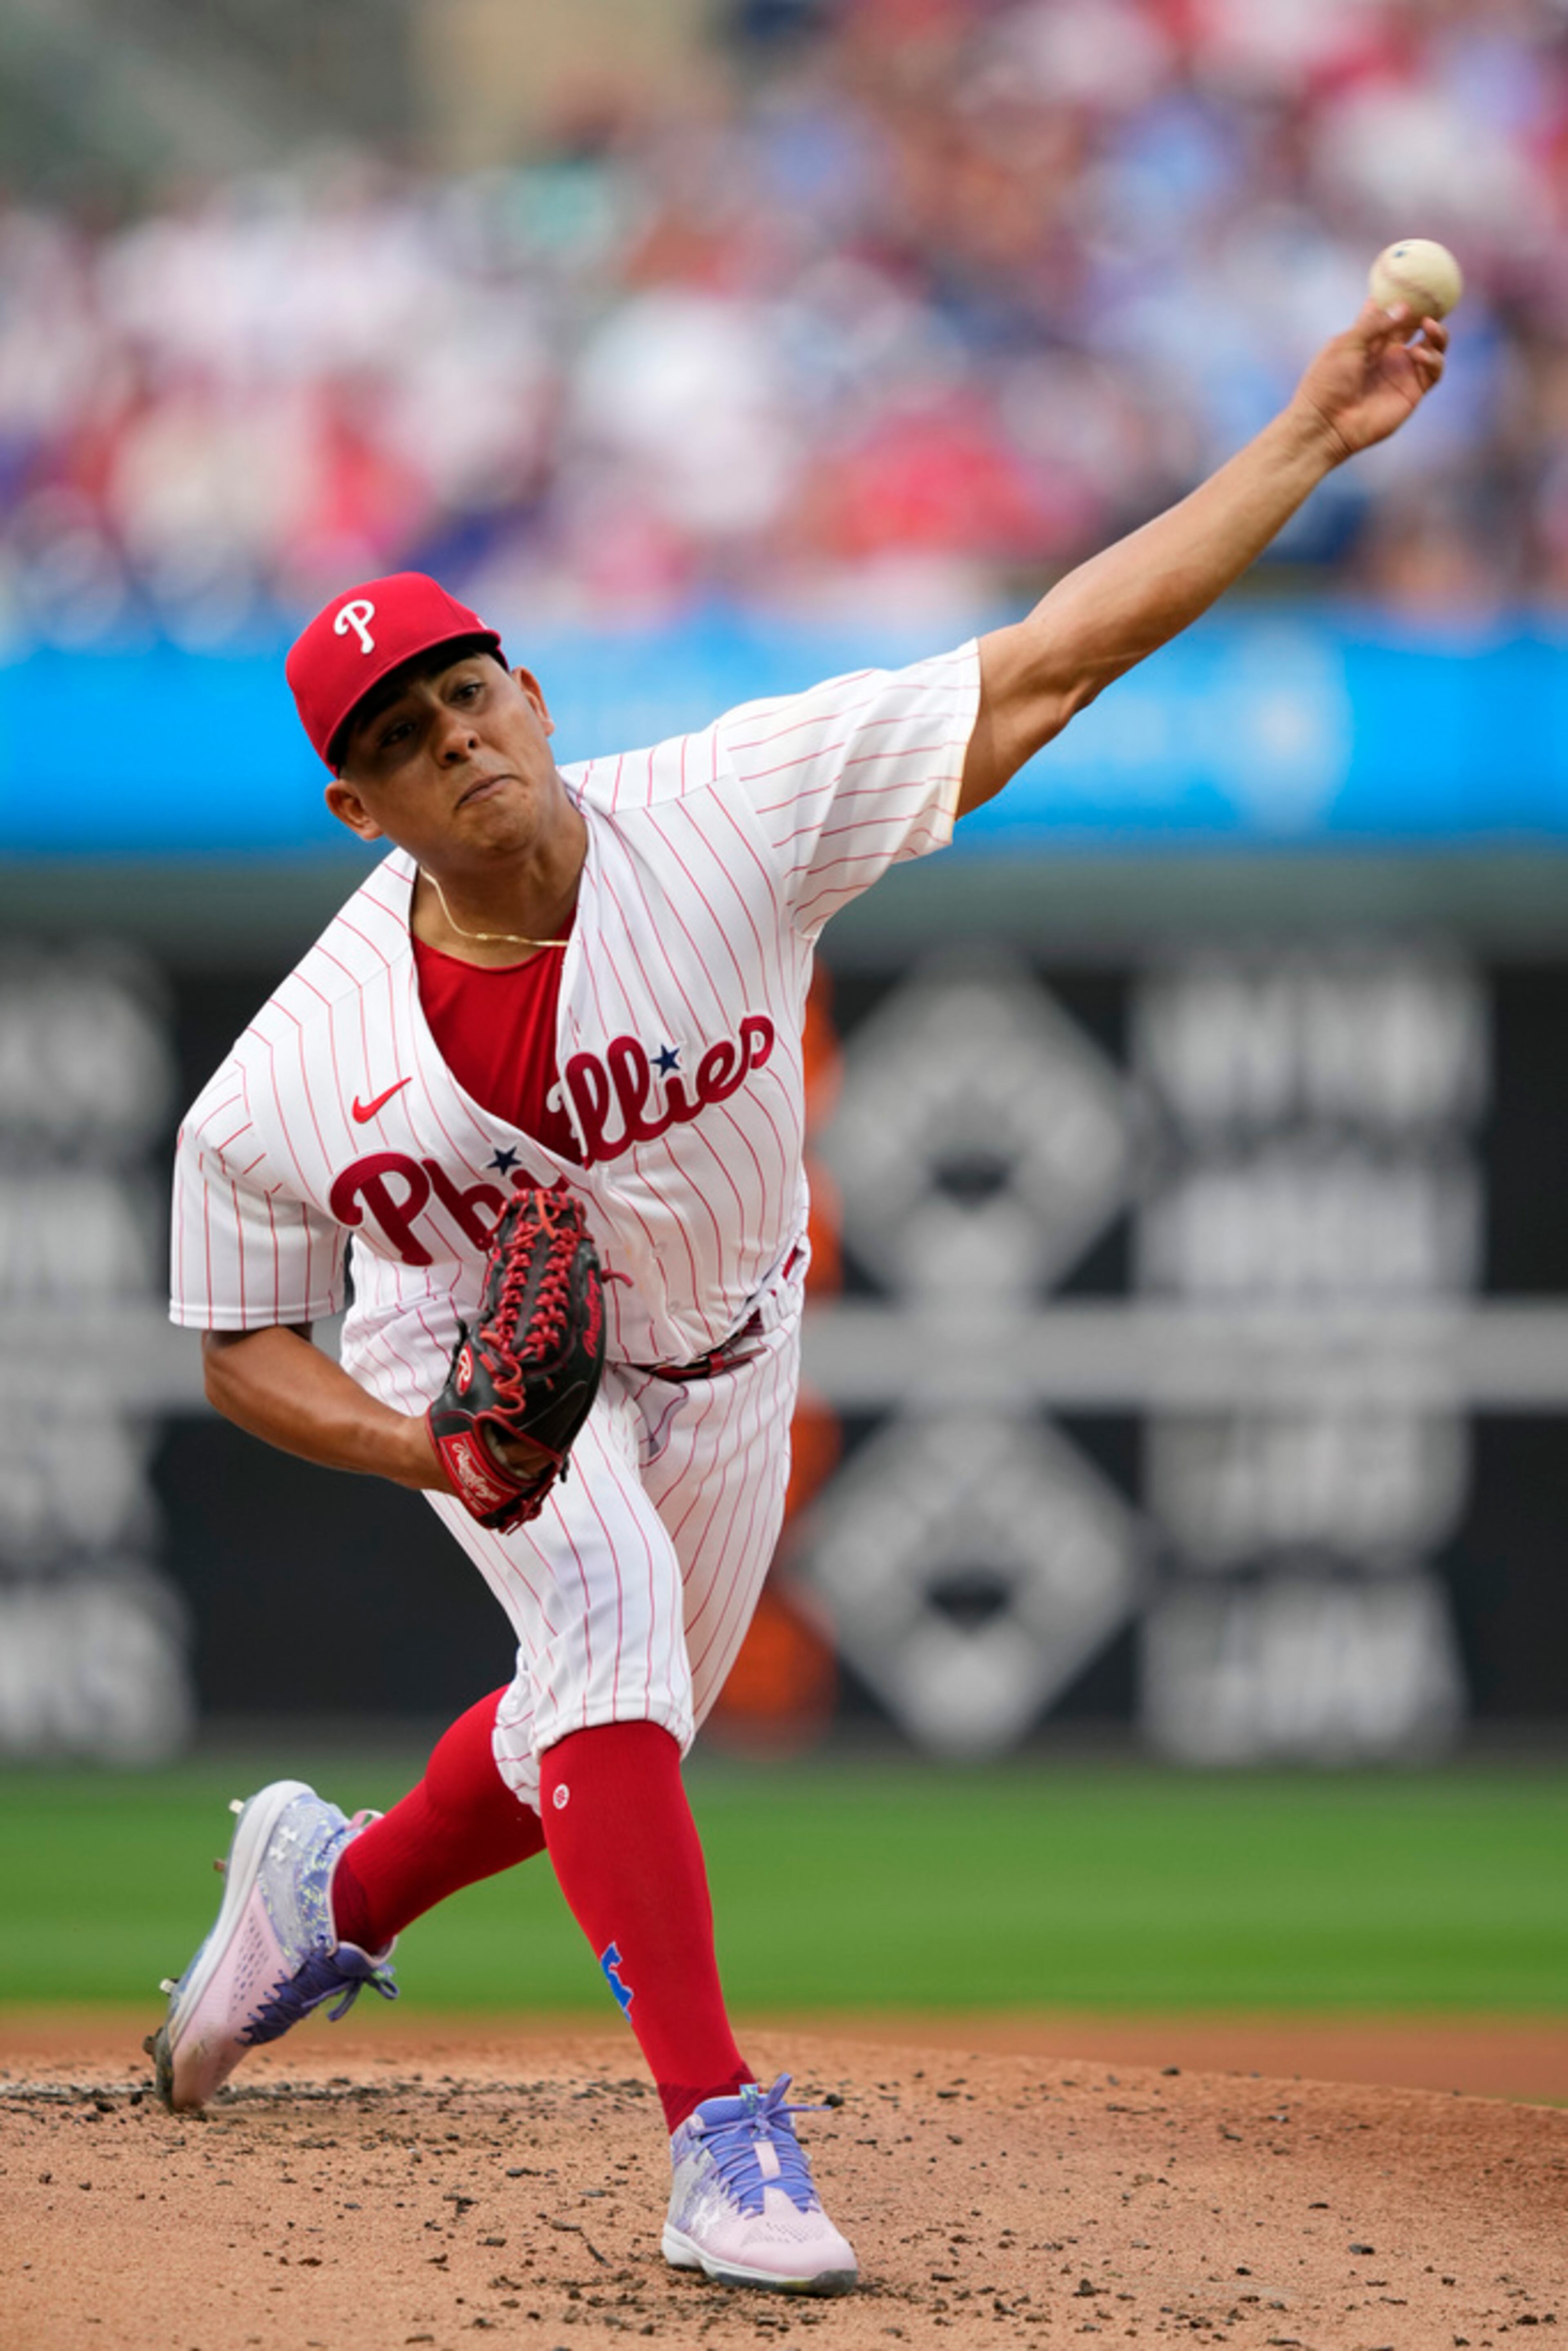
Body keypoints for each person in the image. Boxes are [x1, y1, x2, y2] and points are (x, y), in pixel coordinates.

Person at [150, 297, 1446, 2296]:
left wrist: (1309, 441)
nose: (454, 743)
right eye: (398, 742)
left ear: (531, 688)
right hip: (473, 1364)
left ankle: (325, 1883)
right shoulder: (291, 1073)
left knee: (601, 1720)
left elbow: (1053, 659)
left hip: (736, 1348)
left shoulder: (737, 810)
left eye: (464, 694)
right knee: (610, 1648)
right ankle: (720, 2144)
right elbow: (236, 1344)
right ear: (361, 812)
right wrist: (429, 1443)